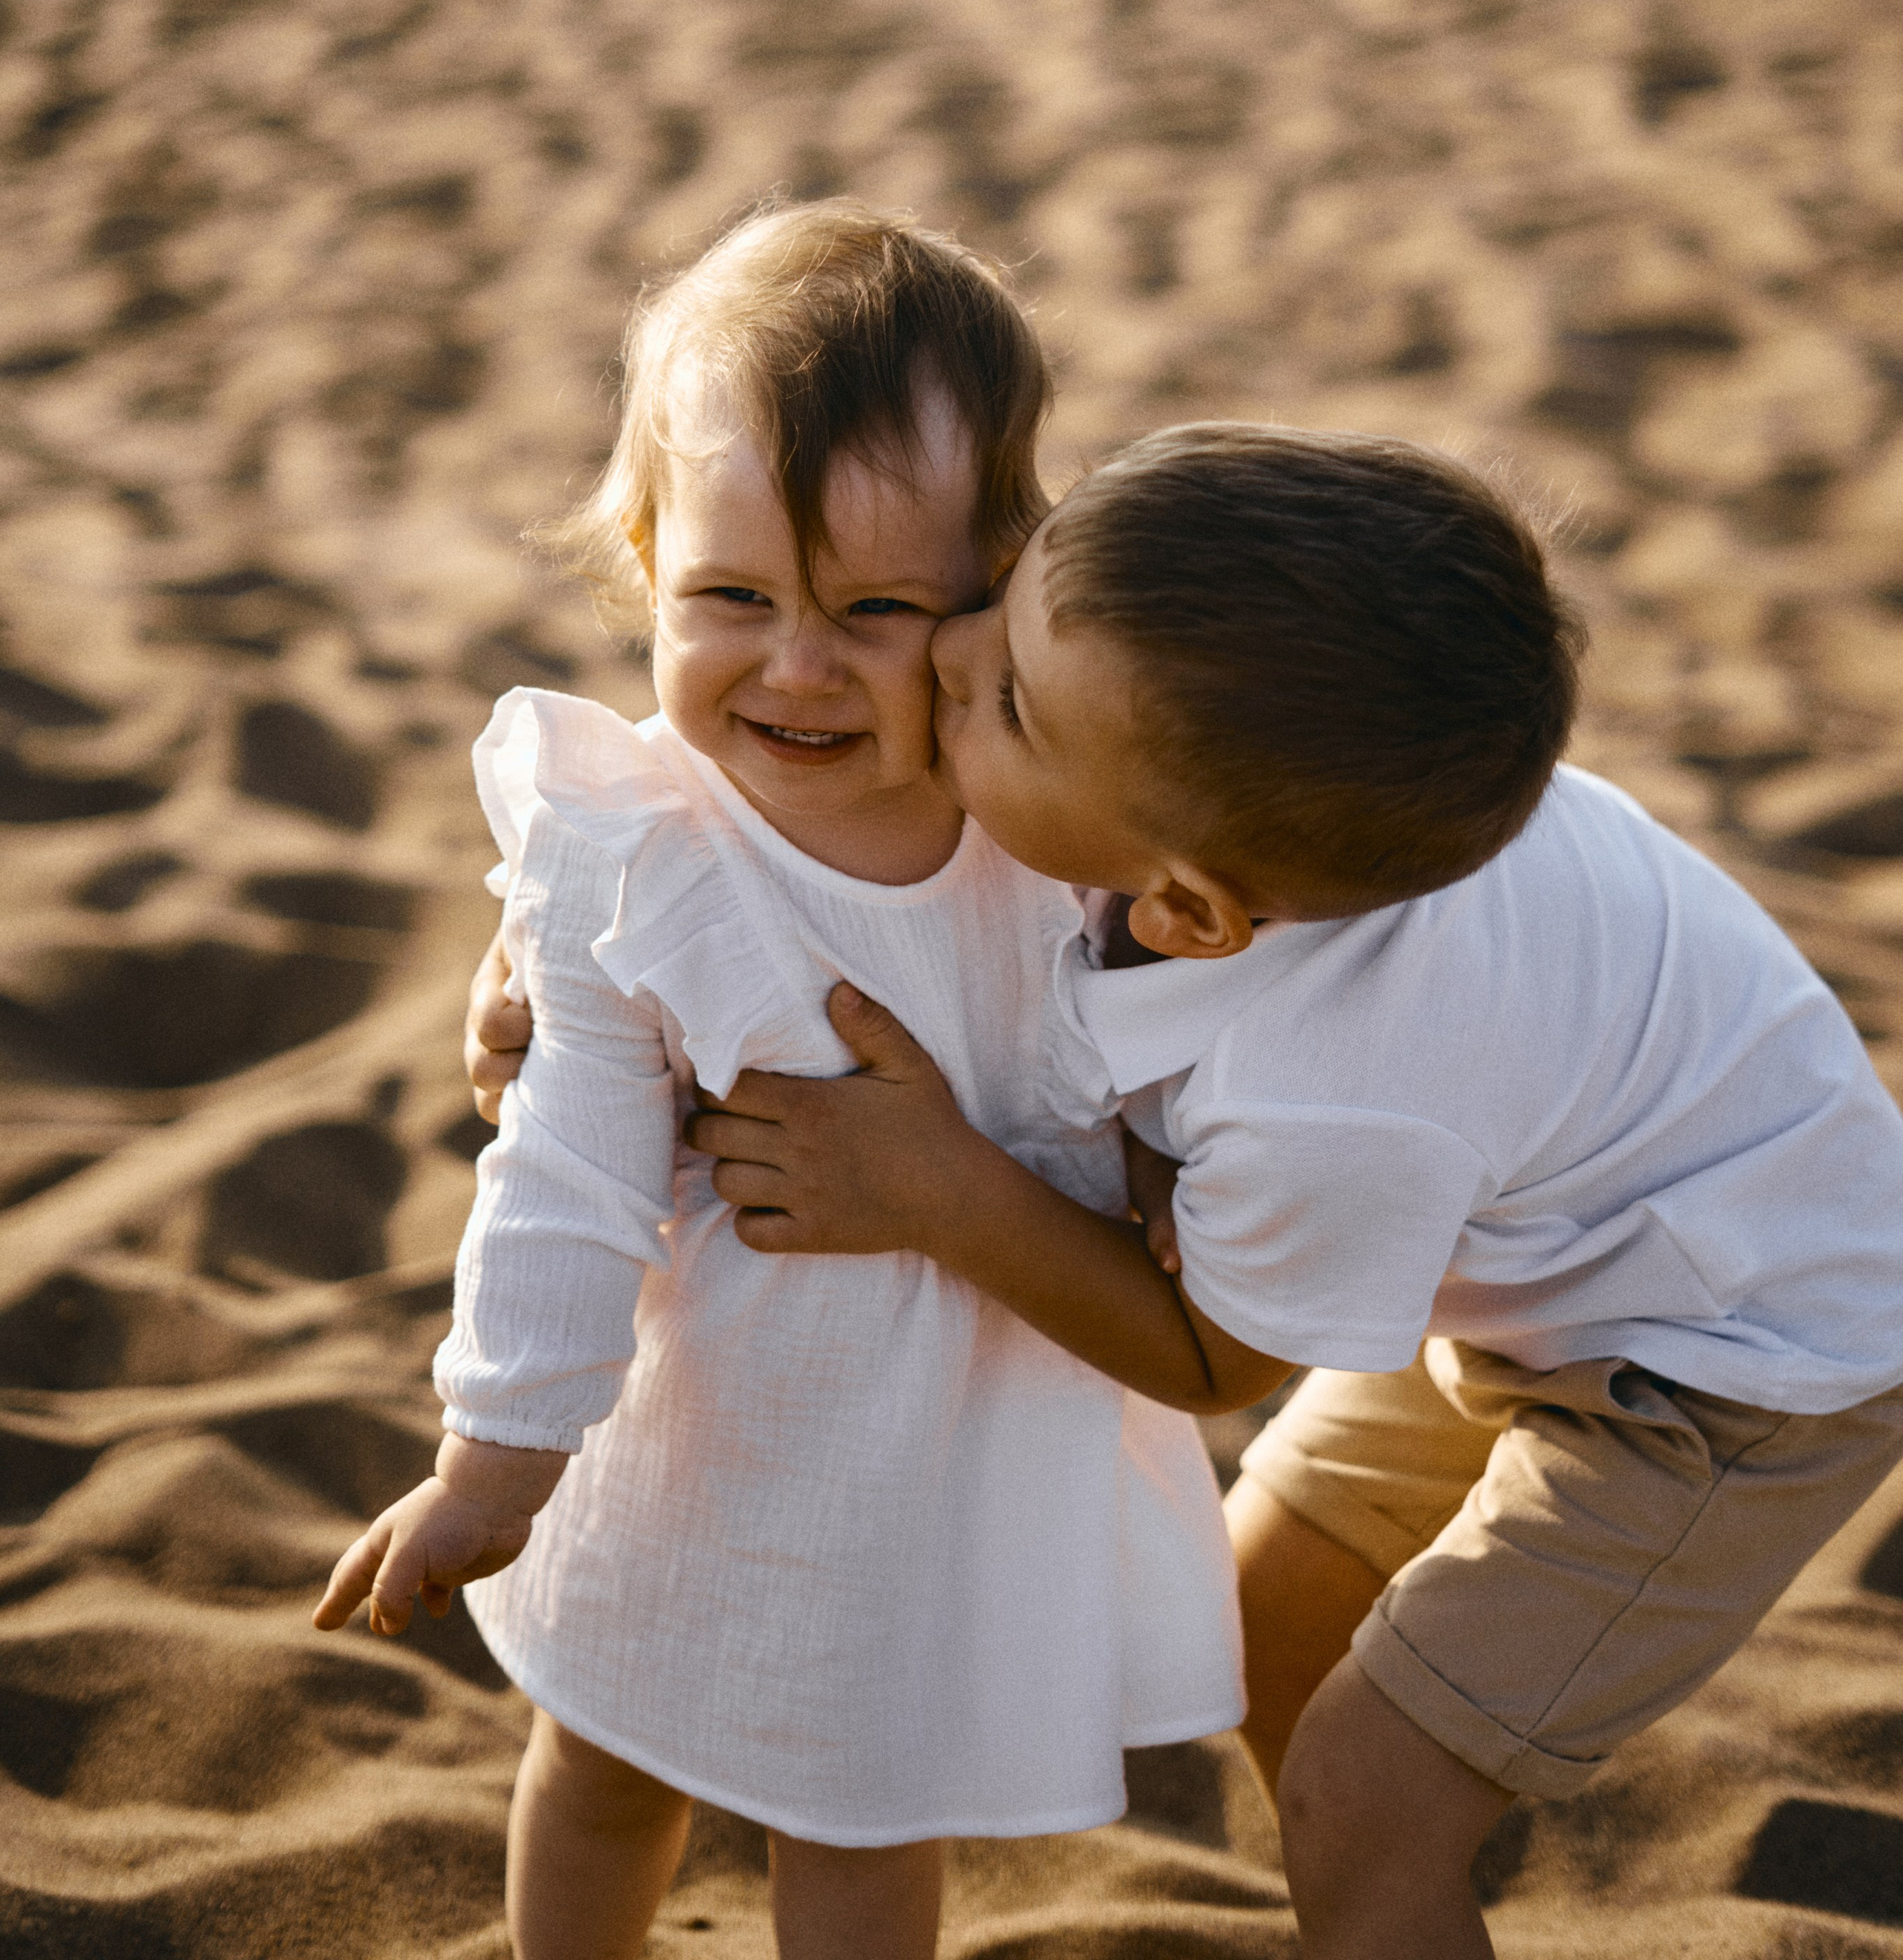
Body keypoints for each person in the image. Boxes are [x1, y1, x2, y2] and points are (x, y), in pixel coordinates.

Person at [471, 421, 1903, 1960]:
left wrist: (944, 1189)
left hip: (1730, 1369)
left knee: (1369, 1788)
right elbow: (760, 801)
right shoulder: (1199, 734)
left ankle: (1382, 1880)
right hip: (1561, 1250)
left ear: (1186, 911)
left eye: (1004, 697)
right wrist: (545, 953)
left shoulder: (1331, 1087)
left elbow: (1214, 1359)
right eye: (1003, 604)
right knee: (1271, 1625)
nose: (945, 654)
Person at [316, 204, 1247, 1960]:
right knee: (602, 1758)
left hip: (945, 1444)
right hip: (694, 1410)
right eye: (730, 598)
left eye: (875, 610)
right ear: (646, 560)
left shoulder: (1045, 829)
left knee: (860, 1825)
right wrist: (492, 1461)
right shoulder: (638, 847)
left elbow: (1160, 1059)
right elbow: (567, 1170)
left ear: (994, 592)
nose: (797, 666)